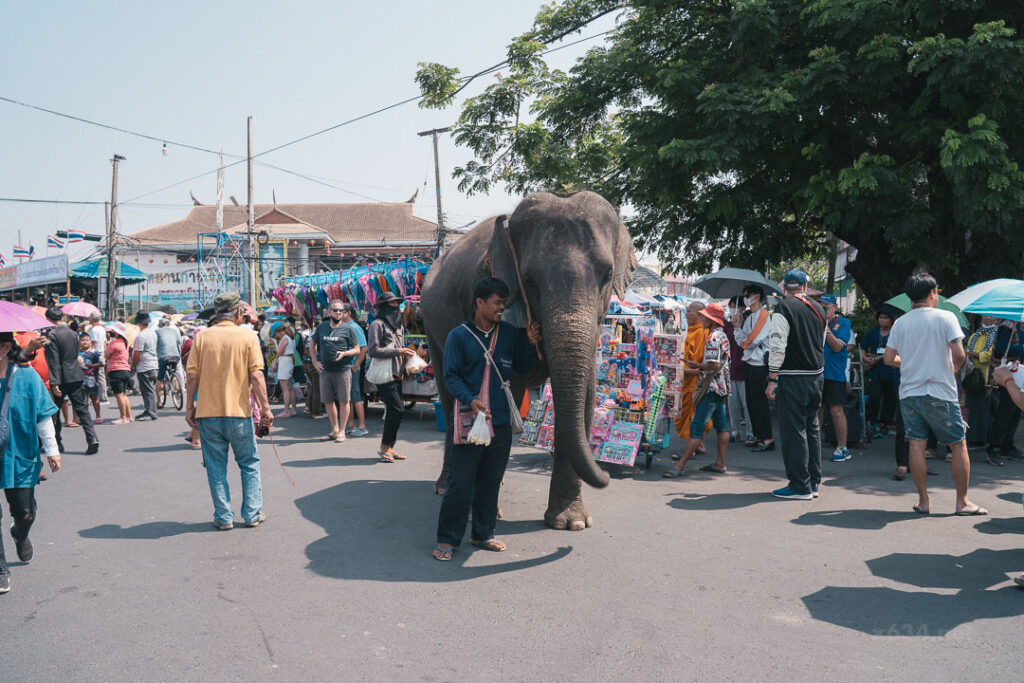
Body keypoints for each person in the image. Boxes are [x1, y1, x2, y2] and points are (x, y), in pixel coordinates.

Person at [433, 277, 541, 561]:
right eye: (496, 303)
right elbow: (450, 376)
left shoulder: (508, 334)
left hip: (500, 422)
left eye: (504, 304)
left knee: (491, 481)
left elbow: (524, 368)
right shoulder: (459, 336)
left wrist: (529, 344)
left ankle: (483, 533)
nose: (501, 309)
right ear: (479, 303)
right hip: (470, 421)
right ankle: (447, 538)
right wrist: (471, 400)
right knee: (460, 482)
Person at [884, 273, 986, 516]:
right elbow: (959, 355)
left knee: (917, 444)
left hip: (909, 393)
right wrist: (951, 368)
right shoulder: (945, 317)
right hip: (940, 391)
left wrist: (911, 363)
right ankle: (962, 502)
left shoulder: (901, 323)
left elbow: (889, 359)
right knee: (958, 444)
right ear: (932, 293)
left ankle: (923, 501)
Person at [185, 292, 273, 530]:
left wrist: (188, 407)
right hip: (239, 413)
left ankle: (224, 517)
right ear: (237, 313)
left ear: (216, 313)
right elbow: (256, 375)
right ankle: (252, 514)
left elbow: (192, 376)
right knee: (249, 463)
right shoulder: (248, 337)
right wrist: (266, 409)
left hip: (208, 413)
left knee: (215, 466)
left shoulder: (202, 337)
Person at [0, 332, 62, 594]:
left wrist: (52, 449)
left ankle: (21, 533)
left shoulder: (27, 377)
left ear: (4, 347)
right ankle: (1, 570)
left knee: (25, 512)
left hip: (20, 453)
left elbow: (43, 416)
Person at [765, 269, 827, 500]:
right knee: (811, 428)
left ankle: (799, 484)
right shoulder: (819, 308)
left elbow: (777, 345)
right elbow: (821, 343)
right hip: (815, 375)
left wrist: (772, 378)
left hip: (793, 375)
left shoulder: (784, 307)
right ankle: (813, 482)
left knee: (793, 431)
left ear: (784, 287)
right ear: (805, 285)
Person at [663, 303, 731, 477]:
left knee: (696, 426)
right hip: (720, 386)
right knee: (722, 426)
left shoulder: (713, 337)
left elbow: (713, 364)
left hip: (711, 386)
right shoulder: (721, 335)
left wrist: (696, 366)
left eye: (704, 317)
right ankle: (720, 463)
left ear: (711, 319)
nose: (702, 319)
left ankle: (680, 466)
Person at [43, 307, 99, 455]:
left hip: (61, 378)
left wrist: (54, 383)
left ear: (48, 319)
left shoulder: (52, 335)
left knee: (54, 412)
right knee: (83, 409)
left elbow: (53, 361)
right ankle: (92, 438)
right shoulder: (73, 333)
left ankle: (57, 441)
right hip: (76, 374)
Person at [367, 292, 416, 462]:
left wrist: (409, 356)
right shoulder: (376, 325)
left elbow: (400, 349)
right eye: (391, 304)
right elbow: (372, 351)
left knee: (394, 412)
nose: (395, 307)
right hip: (385, 375)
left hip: (397, 374)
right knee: (397, 410)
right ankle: (383, 448)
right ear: (383, 307)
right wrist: (398, 351)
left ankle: (389, 447)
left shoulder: (399, 326)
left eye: (397, 304)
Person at [310, 300, 361, 442]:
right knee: (328, 401)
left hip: (343, 370)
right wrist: (315, 361)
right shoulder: (322, 327)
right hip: (325, 371)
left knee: (344, 401)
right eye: (336, 310)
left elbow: (357, 349)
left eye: (341, 311)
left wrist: (345, 354)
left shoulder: (348, 329)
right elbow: (312, 343)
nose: (338, 313)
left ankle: (342, 431)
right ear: (330, 311)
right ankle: (334, 429)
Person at [733, 284, 774, 451]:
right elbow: (742, 341)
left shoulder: (764, 316)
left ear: (756, 296)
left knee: (760, 403)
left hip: (759, 365)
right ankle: (759, 436)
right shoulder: (750, 317)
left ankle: (767, 438)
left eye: (747, 295)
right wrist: (737, 327)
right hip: (749, 363)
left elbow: (751, 341)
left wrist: (741, 334)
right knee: (751, 403)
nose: (745, 298)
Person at [818, 294, 852, 462]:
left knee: (836, 411)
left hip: (835, 374)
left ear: (834, 308)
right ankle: (813, 445)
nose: (823, 310)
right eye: (820, 306)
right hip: (817, 373)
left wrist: (826, 328)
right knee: (817, 410)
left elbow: (838, 346)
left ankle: (842, 447)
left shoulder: (843, 323)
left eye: (825, 307)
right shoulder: (816, 322)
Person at [673, 301, 711, 449]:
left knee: (694, 413)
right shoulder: (691, 331)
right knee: (691, 411)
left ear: (699, 315)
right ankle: (699, 444)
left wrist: (687, 370)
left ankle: (693, 447)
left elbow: (705, 363)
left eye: (689, 312)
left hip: (697, 379)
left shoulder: (703, 333)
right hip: (688, 377)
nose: (686, 314)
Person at [860, 305, 902, 439]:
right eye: (880, 318)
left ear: (891, 320)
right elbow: (862, 345)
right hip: (874, 370)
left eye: (885, 318)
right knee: (874, 395)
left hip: (890, 370)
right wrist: (865, 357)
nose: (882, 320)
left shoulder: (896, 333)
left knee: (890, 398)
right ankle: (871, 421)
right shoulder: (873, 332)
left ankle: (886, 424)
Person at [987, 320, 1024, 462]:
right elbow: (1000, 348)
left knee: (1015, 412)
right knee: (1005, 411)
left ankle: (1008, 445)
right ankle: (994, 448)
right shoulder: (1008, 326)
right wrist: (1022, 348)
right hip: (1007, 373)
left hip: (1019, 373)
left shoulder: (1019, 325)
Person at [724, 300, 751, 444]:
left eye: (736, 306)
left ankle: (750, 433)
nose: (733, 309)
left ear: (742, 308)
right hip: (731, 368)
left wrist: (738, 328)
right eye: (731, 306)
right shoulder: (727, 326)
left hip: (746, 368)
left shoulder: (748, 325)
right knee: (732, 404)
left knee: (747, 404)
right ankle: (735, 431)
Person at [344, 304, 369, 437]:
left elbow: (364, 348)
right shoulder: (346, 327)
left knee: (355, 397)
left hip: (352, 368)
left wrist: (355, 365)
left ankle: (362, 425)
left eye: (340, 311)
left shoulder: (354, 327)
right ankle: (351, 424)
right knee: (348, 398)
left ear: (348, 313)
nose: (337, 314)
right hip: (346, 368)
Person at [131, 311, 160, 421]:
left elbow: (137, 353)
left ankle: (151, 412)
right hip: (153, 364)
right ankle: (148, 409)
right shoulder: (152, 333)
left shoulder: (141, 336)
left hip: (145, 365)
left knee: (148, 391)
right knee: (148, 390)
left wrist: (133, 365)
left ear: (139, 323)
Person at [104, 323, 134, 424]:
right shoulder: (124, 342)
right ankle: (129, 416)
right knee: (124, 395)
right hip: (125, 369)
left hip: (116, 370)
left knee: (119, 395)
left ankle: (123, 417)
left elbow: (107, 356)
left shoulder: (114, 343)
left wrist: (106, 346)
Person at [155, 317, 182, 401]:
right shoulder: (174, 331)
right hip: (175, 356)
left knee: (159, 378)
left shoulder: (157, 332)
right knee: (174, 373)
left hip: (163, 356)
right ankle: (176, 388)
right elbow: (179, 343)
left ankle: (159, 401)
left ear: (160, 325)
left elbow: (154, 344)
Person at [273, 323, 297, 417]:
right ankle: (293, 409)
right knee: (289, 387)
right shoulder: (290, 338)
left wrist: (275, 343)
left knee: (285, 388)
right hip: (288, 361)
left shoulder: (285, 338)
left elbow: (279, 352)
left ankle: (286, 411)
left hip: (284, 361)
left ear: (279, 332)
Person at [78, 333, 103, 422]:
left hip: (92, 379)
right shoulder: (76, 352)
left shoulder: (94, 352)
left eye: (87, 340)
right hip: (79, 379)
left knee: (94, 398)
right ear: (79, 341)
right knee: (83, 400)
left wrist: (91, 365)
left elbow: (101, 363)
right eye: (82, 340)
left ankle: (98, 416)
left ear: (90, 342)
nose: (85, 342)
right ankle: (85, 418)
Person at [87, 312, 108, 403]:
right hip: (102, 353)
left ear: (92, 319)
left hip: (96, 354)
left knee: (93, 375)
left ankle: (97, 396)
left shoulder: (94, 330)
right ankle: (103, 395)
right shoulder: (102, 329)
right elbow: (104, 342)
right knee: (101, 376)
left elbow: (94, 343)